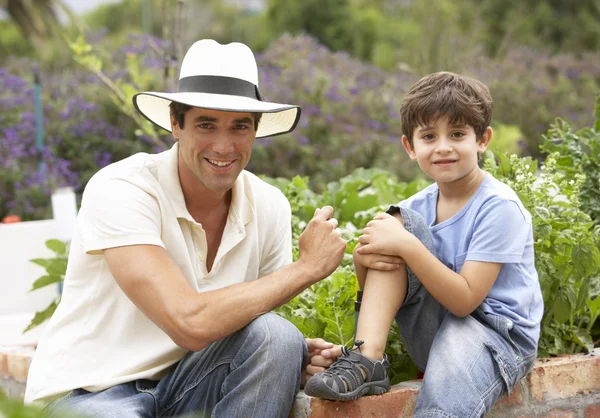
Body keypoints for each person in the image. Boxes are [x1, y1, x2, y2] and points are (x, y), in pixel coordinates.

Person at [25, 39, 346, 418]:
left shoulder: (268, 205)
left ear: (256, 130)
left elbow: (250, 321)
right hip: (92, 393)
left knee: (277, 338)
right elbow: (189, 322)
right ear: (175, 124)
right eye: (206, 124)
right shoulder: (123, 188)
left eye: (240, 126)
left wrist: (296, 354)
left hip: (188, 383)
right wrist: (306, 267)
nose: (224, 146)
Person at [304, 72, 543, 417]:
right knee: (397, 221)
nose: (443, 146)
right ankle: (366, 360)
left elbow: (464, 301)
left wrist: (406, 246)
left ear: (483, 139)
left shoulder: (499, 208)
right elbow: (388, 291)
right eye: (429, 136)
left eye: (457, 134)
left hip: (495, 337)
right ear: (410, 147)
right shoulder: (414, 209)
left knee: (441, 406)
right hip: (438, 326)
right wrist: (366, 260)